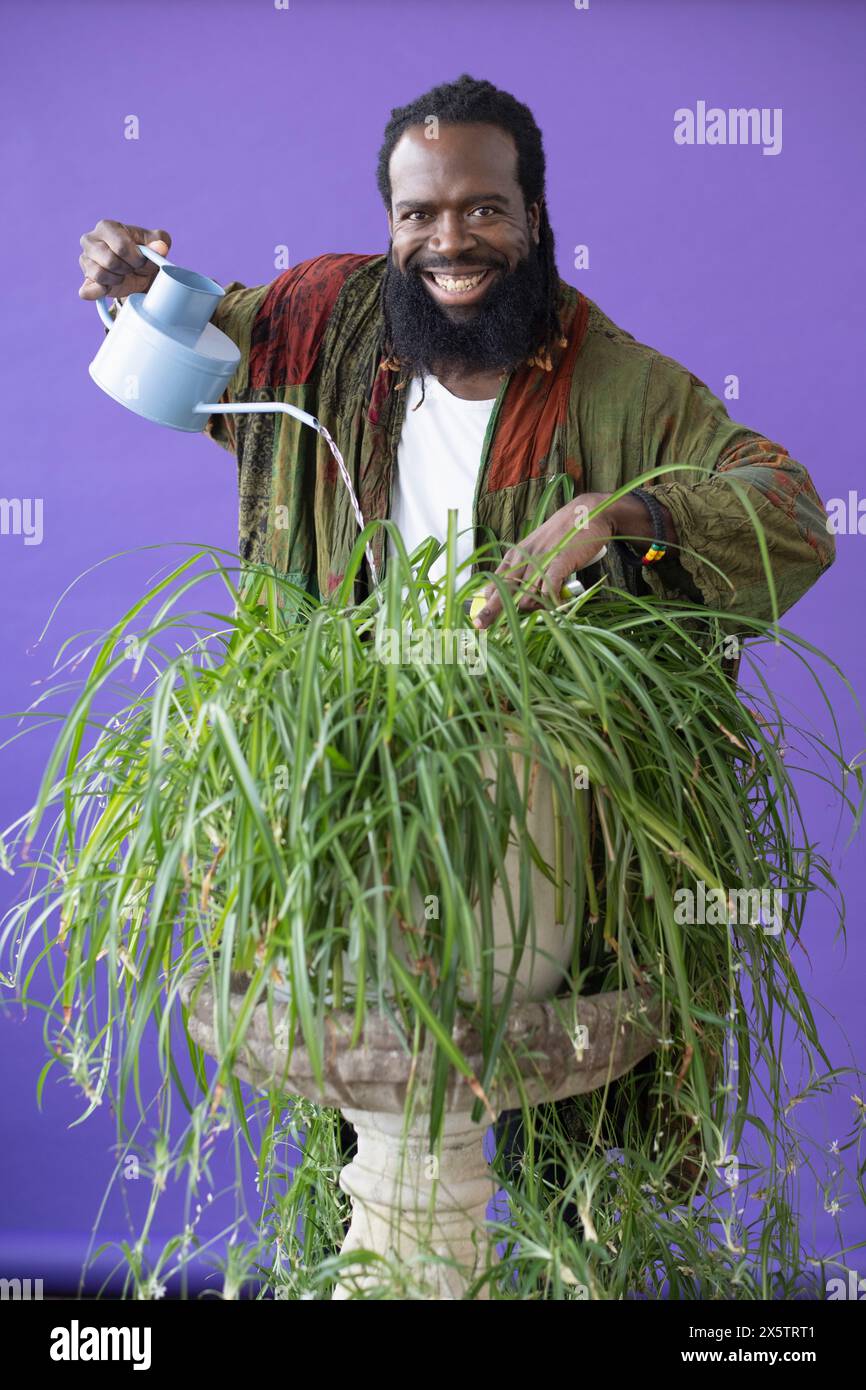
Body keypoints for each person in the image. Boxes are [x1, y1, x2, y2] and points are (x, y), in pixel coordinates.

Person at [78, 73, 834, 1229]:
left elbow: (786, 508)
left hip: (540, 836)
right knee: (360, 1150)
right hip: (348, 813)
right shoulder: (322, 324)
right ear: (388, 224)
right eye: (417, 215)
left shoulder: (611, 381)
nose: (449, 240)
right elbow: (195, 336)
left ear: (533, 217)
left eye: (482, 209)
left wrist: (619, 518)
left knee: (556, 1182)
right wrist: (135, 285)